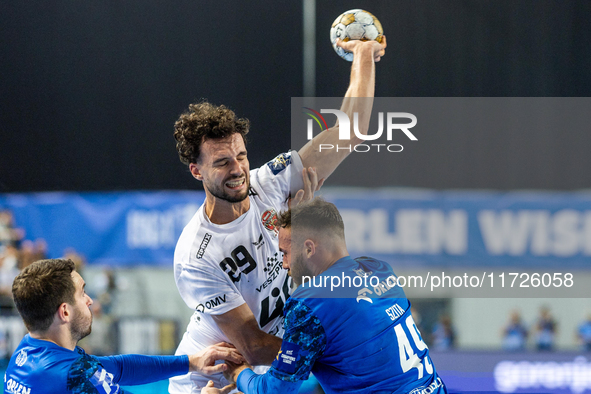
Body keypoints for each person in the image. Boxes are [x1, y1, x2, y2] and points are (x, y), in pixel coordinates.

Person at [170, 37, 387, 393]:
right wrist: (337, 355)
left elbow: (349, 132)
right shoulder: (196, 255)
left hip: (264, 372)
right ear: (197, 171)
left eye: (240, 155)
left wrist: (363, 55)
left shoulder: (269, 183)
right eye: (222, 162)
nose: (238, 169)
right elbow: (253, 344)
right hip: (214, 381)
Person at [222, 197, 447, 394]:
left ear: (309, 249)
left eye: (286, 253)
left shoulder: (310, 302)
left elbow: (274, 390)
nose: (284, 264)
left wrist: (239, 375)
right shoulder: (380, 269)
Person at [4, 259, 244, 394]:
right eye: (83, 293)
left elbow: (117, 367)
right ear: (65, 312)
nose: (90, 300)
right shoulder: (72, 375)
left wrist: (191, 362)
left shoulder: (24, 355)